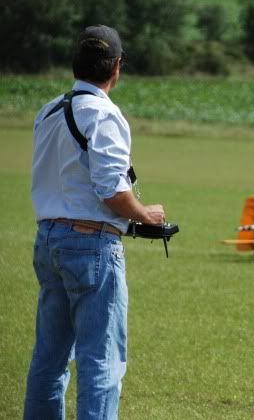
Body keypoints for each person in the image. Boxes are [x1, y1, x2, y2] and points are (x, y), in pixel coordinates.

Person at [24, 25, 165, 419]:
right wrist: (145, 213)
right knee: (101, 362)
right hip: (90, 244)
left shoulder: (48, 110)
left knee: (49, 360)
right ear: (116, 67)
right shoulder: (104, 114)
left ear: (77, 63)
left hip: (48, 240)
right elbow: (111, 191)